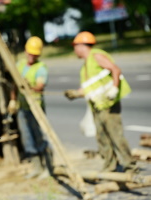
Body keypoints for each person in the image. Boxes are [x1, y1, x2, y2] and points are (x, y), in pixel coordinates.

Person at [64, 31, 137, 173]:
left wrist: (114, 88)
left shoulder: (96, 56)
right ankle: (110, 165)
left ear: (81, 46)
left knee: (116, 136)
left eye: (75, 46)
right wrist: (76, 93)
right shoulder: (85, 66)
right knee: (102, 137)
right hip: (98, 106)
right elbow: (91, 88)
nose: (74, 50)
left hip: (109, 104)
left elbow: (115, 69)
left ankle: (130, 166)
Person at [8, 36, 52, 179]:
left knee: (39, 136)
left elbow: (40, 86)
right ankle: (37, 167)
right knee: (27, 138)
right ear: (26, 51)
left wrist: (29, 86)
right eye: (30, 53)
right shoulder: (20, 64)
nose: (32, 56)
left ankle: (49, 167)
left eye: (35, 54)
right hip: (23, 107)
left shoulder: (41, 68)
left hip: (36, 108)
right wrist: (13, 100)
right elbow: (14, 84)